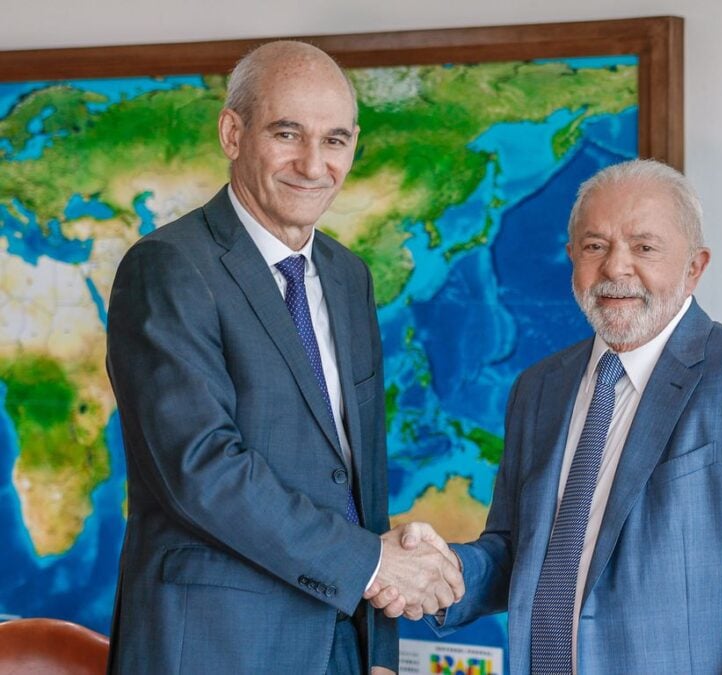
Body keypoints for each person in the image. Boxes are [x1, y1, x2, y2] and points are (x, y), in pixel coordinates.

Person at [368, 159, 722, 673]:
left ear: (695, 267)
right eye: (595, 246)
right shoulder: (539, 387)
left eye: (644, 247)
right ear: (572, 257)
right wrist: (446, 572)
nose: (616, 267)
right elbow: (515, 550)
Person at [105, 41, 462, 675]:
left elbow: (355, 480)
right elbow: (202, 469)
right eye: (288, 133)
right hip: (216, 649)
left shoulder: (348, 276)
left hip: (341, 644)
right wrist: (375, 564)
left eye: (336, 140)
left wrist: (375, 647)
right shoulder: (168, 268)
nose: (313, 164)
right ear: (233, 132)